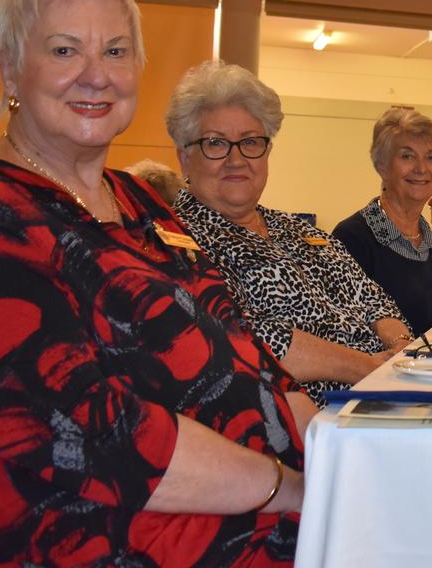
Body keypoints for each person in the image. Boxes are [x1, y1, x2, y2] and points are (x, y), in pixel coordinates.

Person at [0, 0, 305, 564]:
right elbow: (101, 434)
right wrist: (291, 489)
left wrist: (339, 453)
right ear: (8, 65)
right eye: (63, 49)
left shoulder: (136, 199)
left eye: (115, 50)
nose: (96, 74)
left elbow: (243, 343)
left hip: (265, 513)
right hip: (128, 544)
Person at [168, 60, 412, 408]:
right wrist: (367, 367)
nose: (237, 159)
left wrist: (400, 344)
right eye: (216, 143)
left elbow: (369, 296)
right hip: (307, 422)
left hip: (381, 392)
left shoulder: (297, 228)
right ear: (184, 158)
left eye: (251, 142)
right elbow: (241, 335)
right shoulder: (177, 242)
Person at [334, 106, 432, 335]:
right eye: (407, 156)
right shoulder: (351, 239)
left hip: (429, 369)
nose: (421, 169)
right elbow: (344, 333)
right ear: (382, 167)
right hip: (374, 370)